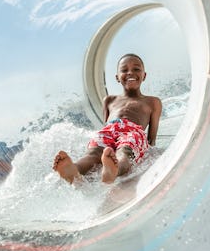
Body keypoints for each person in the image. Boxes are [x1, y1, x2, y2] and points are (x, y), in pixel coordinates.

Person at [53, 53, 162, 185]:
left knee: (125, 151)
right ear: (117, 77)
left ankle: (115, 170)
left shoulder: (152, 102)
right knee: (94, 152)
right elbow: (105, 126)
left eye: (136, 69)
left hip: (132, 132)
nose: (130, 72)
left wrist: (149, 154)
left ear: (144, 75)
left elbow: (151, 139)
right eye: (124, 70)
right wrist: (107, 149)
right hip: (109, 131)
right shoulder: (109, 100)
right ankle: (74, 170)